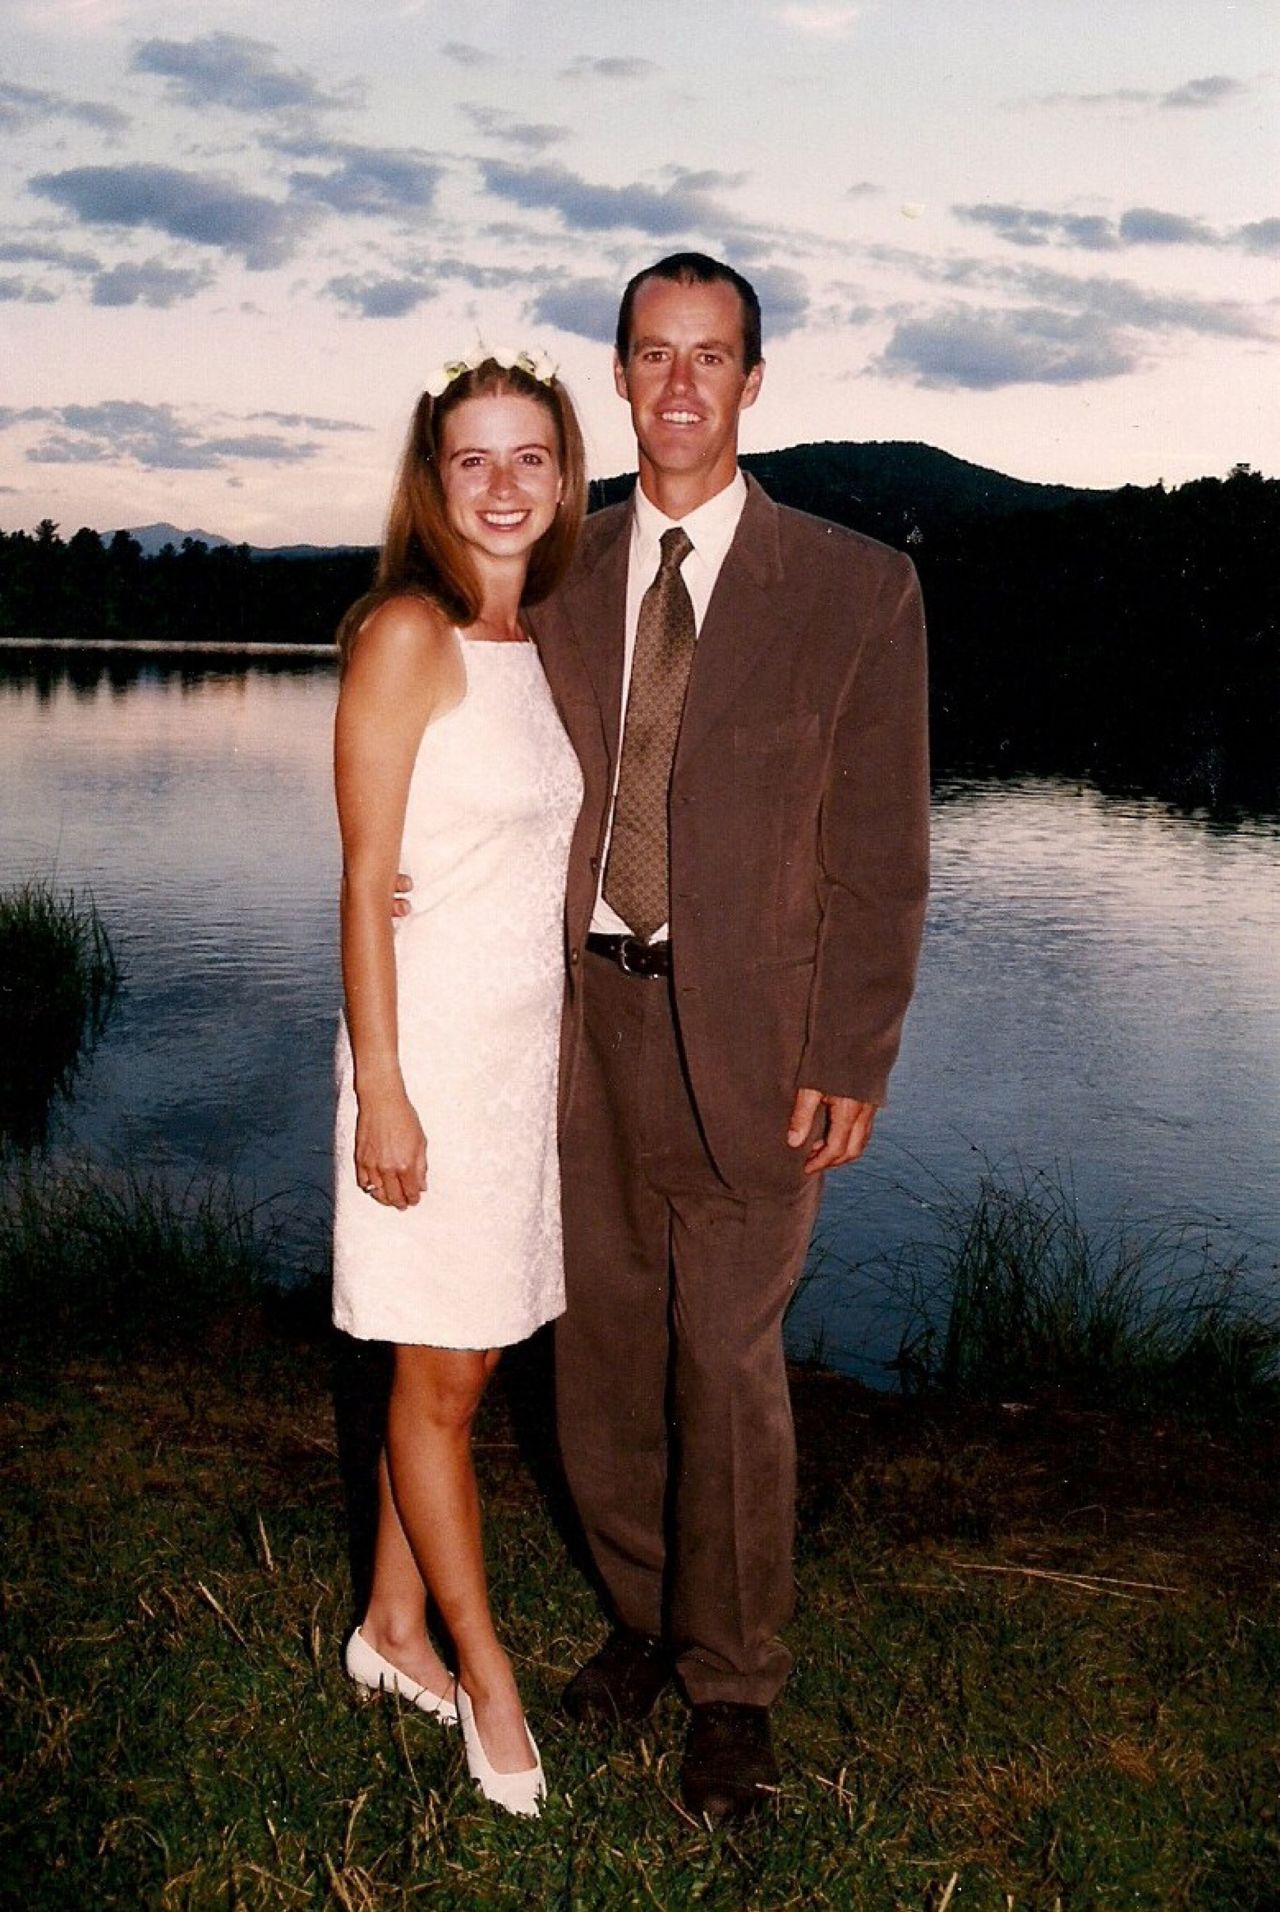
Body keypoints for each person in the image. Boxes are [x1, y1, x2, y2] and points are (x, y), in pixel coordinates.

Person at [527, 254, 930, 1824]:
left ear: (754, 382)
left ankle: (733, 1686)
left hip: (758, 1044)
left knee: (727, 1361)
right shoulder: (558, 570)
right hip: (580, 1029)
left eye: (711, 357)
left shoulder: (854, 587)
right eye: (651, 355)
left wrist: (854, 1049)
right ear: (618, 378)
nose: (679, 385)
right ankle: (641, 1617)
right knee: (605, 1357)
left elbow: (882, 852)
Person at [331, 346, 586, 1818]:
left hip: (514, 1058)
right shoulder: (406, 633)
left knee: (462, 1363)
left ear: (565, 478)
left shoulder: (540, 640)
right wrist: (384, 1089)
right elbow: (368, 881)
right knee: (437, 1376)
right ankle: (484, 1673)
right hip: (423, 1057)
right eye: (473, 459)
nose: (502, 486)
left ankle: (391, 1623)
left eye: (530, 457)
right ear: (435, 483)